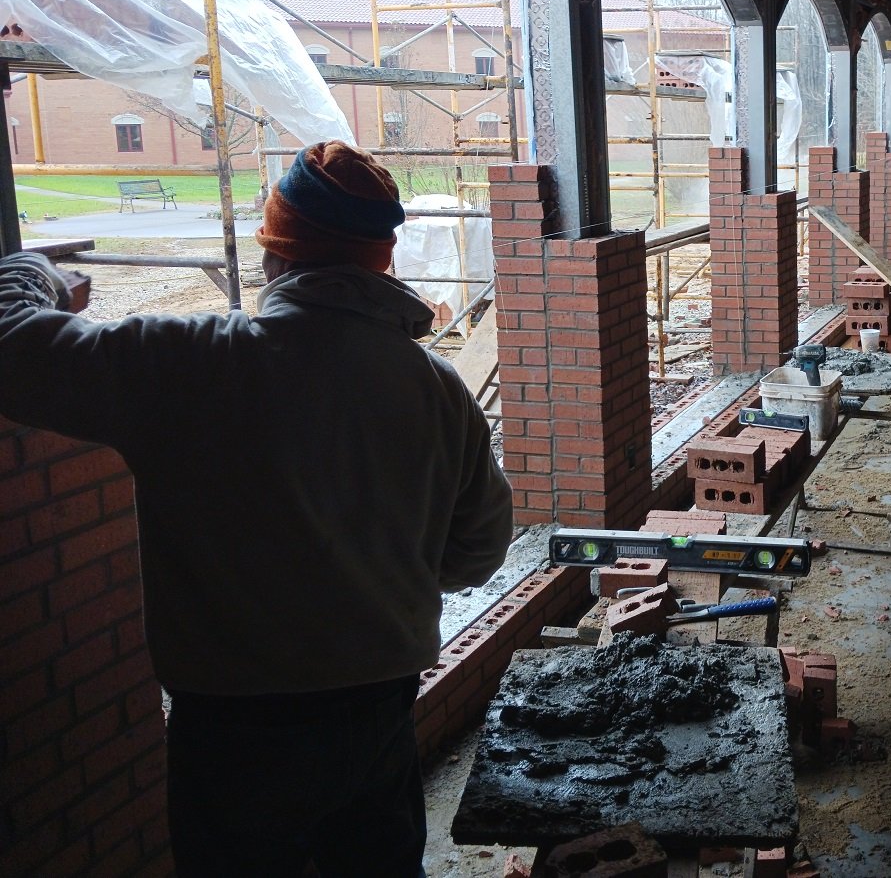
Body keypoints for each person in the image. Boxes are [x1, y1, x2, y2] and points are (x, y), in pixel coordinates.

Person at [0, 141, 514, 876]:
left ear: (276, 256)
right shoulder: (436, 389)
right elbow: (479, 552)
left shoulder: (192, 364)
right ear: (382, 258)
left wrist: (31, 269)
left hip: (234, 727)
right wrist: (381, 566)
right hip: (377, 709)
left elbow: (12, 346)